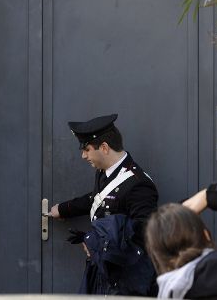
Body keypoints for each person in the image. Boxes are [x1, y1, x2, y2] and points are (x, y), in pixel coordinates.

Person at [49, 113, 158, 295]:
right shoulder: (104, 171)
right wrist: (63, 209)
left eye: (87, 149)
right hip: (102, 271)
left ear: (105, 148)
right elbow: (95, 199)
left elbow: (143, 234)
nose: (84, 156)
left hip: (124, 279)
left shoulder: (139, 184)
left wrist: (97, 244)